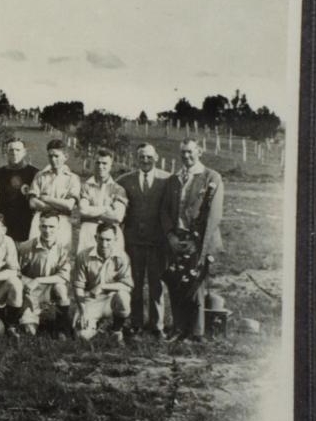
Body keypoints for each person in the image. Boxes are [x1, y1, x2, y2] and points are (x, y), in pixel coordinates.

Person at [160, 138, 224, 341]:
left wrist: (197, 243)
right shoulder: (173, 179)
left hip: (199, 240)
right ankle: (179, 328)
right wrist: (170, 235)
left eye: (190, 152)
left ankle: (196, 332)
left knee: (195, 284)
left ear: (200, 152)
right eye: (183, 153)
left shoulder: (211, 177)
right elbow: (164, 210)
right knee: (175, 281)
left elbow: (214, 214)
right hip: (176, 240)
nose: (186, 156)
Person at [116, 143, 170, 337]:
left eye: (149, 157)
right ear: (136, 158)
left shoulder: (167, 180)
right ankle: (136, 323)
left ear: (156, 156)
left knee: (156, 284)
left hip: (157, 242)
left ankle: (157, 326)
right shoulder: (125, 180)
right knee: (135, 284)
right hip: (133, 241)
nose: (145, 161)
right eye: (141, 157)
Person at [72, 222, 134, 342]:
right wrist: (83, 311)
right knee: (81, 336)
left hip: (111, 299)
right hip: (91, 300)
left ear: (115, 240)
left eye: (108, 240)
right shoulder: (83, 256)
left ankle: (116, 330)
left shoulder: (122, 257)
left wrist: (103, 286)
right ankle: (98, 326)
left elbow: (127, 285)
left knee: (123, 296)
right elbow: (78, 287)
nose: (104, 244)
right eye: (101, 239)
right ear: (96, 238)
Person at [17, 210, 73, 337]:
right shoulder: (26, 247)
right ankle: (28, 316)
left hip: (50, 289)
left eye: (51, 226)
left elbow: (63, 276)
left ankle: (62, 326)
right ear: (39, 227)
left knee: (61, 288)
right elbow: (16, 272)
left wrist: (38, 280)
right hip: (30, 291)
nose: (47, 231)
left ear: (58, 227)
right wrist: (28, 284)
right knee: (29, 332)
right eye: (44, 226)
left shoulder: (62, 249)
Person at [28, 139, 81, 249]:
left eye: (56, 156)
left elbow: (69, 205)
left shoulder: (73, 178)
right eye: (50, 156)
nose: (53, 159)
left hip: (62, 220)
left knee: (61, 253)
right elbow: (32, 203)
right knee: (36, 251)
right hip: (41, 219)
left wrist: (45, 198)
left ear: (65, 157)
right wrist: (56, 206)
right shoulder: (40, 175)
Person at [76, 148, 128, 254]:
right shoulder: (86, 186)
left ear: (111, 165)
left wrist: (92, 212)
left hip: (110, 233)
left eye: (104, 163)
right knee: (86, 263)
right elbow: (83, 211)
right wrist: (107, 209)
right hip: (88, 232)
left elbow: (118, 217)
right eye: (98, 163)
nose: (100, 166)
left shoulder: (118, 189)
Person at [0, 137, 38, 242]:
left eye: (18, 150)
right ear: (6, 152)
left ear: (24, 152)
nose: (14, 153)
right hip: (3, 222)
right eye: (11, 150)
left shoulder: (34, 173)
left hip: (26, 222)